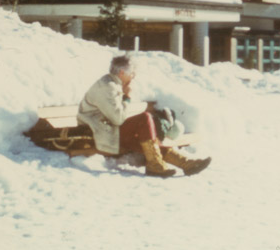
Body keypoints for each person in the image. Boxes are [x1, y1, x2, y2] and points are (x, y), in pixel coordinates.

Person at [78, 54, 211, 177]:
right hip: (97, 131)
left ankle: (185, 163)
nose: (133, 76)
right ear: (122, 72)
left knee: (146, 133)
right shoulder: (107, 87)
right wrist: (127, 97)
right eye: (132, 73)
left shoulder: (113, 84)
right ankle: (157, 165)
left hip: (107, 128)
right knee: (144, 119)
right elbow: (118, 118)